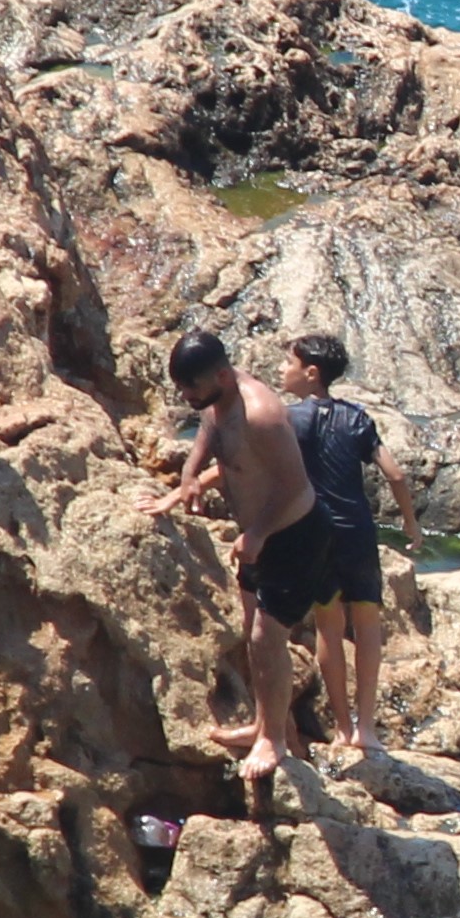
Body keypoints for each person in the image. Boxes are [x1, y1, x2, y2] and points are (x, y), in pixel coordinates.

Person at [153, 325, 328, 777]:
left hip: (293, 535)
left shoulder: (262, 415)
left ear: (223, 376)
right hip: (261, 535)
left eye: (192, 388)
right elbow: (210, 427)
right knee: (252, 629)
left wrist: (259, 534)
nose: (187, 397)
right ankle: (261, 725)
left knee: (266, 638)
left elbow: (294, 483)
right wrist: (190, 474)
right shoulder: (219, 398)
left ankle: (273, 743)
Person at [273, 331, 417, 764]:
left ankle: (342, 727)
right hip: (357, 534)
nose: (283, 369)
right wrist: (411, 523)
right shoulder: (357, 419)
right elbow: (394, 474)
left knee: (329, 630)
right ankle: (368, 729)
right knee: (368, 627)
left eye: (288, 363)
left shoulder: (288, 420)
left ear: (311, 374)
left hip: (316, 535)